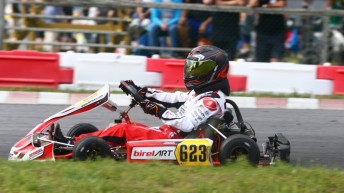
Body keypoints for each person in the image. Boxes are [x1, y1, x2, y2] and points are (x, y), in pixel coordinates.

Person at [52, 45, 231, 148]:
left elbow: (186, 123)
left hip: (176, 141)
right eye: (192, 68)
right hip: (169, 134)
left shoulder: (211, 101)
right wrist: (145, 93)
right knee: (126, 127)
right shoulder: (202, 93)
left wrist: (156, 110)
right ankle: (76, 140)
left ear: (215, 72)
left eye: (198, 69)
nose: (192, 72)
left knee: (124, 130)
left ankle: (71, 144)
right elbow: (174, 98)